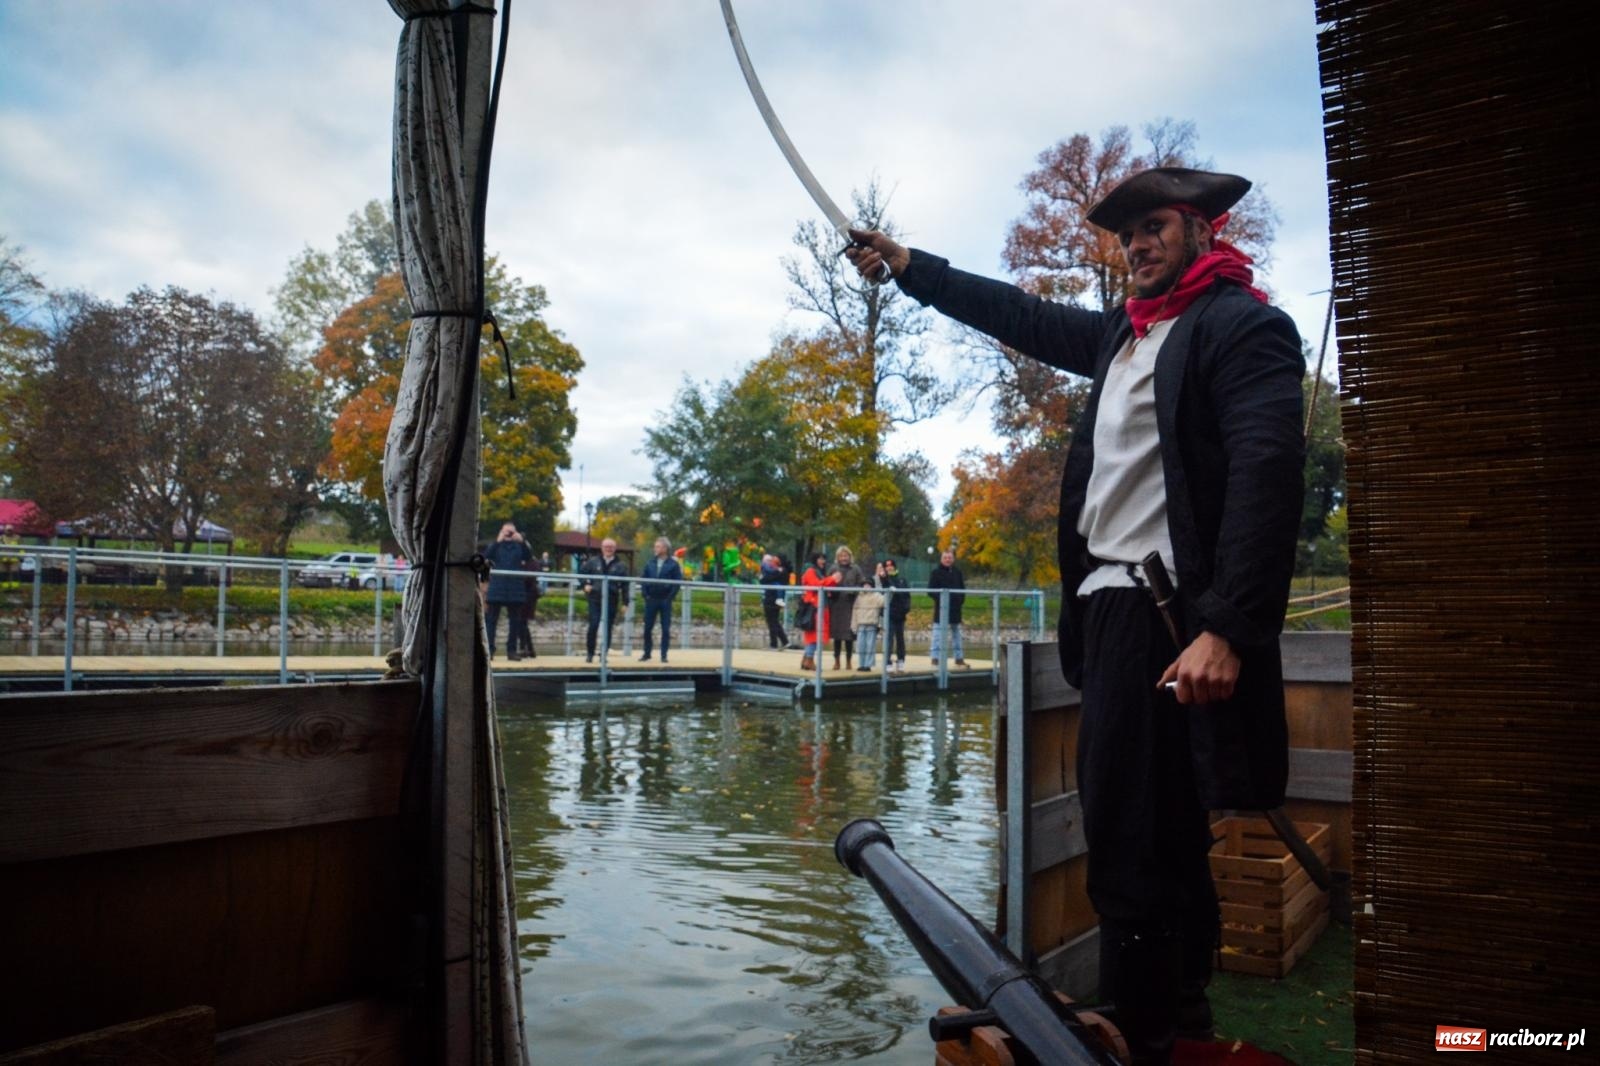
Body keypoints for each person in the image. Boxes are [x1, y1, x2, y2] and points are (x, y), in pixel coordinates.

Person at [847, 166, 1305, 1063]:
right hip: (1109, 622)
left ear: (1202, 232)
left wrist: (1228, 627)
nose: (1137, 245)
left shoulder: (1241, 326)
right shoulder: (1120, 339)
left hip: (1167, 618)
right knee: (1157, 833)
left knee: (1136, 839)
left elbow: (1267, 473)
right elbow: (1015, 313)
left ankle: (1145, 1032)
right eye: (1127, 234)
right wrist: (909, 266)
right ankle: (1181, 1028)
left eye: (1156, 227)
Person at [482, 521, 533, 661]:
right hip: (497, 587)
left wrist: (522, 541)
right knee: (491, 621)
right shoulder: (496, 546)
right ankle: (490, 650)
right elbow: (485, 557)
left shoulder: (520, 546)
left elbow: (528, 557)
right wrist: (497, 541)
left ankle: (511, 651)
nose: (509, 534)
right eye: (506, 531)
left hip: (515, 587)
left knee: (515, 622)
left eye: (511, 532)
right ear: (501, 532)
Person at [579, 538, 630, 663]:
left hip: (611, 599)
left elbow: (625, 585)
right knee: (593, 625)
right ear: (602, 548)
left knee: (608, 627)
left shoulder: (621, 565)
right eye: (606, 546)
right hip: (595, 598)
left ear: (614, 549)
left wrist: (625, 602)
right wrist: (585, 584)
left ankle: (603, 655)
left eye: (611, 547)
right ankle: (590, 653)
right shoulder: (593, 562)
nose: (608, 549)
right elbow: (581, 574)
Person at [638, 536, 683, 663]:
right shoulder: (650, 563)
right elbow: (644, 579)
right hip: (651, 599)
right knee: (647, 627)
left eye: (658, 546)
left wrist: (670, 597)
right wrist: (645, 594)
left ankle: (664, 655)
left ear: (665, 548)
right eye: (655, 546)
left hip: (665, 600)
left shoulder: (673, 565)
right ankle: (647, 653)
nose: (655, 549)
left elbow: (677, 582)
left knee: (665, 628)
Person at [927, 550, 969, 670]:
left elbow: (962, 589)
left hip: (955, 609)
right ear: (941, 559)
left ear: (953, 559)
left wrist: (960, 600)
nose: (947, 560)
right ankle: (935, 658)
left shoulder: (957, 573)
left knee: (957, 634)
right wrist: (941, 600)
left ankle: (959, 658)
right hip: (941, 608)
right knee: (937, 634)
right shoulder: (936, 573)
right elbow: (930, 591)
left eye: (950, 557)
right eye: (945, 558)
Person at [797, 551, 837, 672]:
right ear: (815, 560)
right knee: (815, 635)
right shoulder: (811, 571)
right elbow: (816, 585)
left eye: (824, 559)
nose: (823, 561)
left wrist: (833, 581)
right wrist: (832, 579)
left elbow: (823, 585)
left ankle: (806, 659)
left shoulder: (818, 572)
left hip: (819, 606)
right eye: (820, 559)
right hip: (814, 607)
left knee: (815, 634)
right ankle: (809, 659)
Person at [828, 546, 865, 671]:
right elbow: (827, 583)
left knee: (849, 635)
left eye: (846, 555)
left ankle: (849, 661)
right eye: (841, 556)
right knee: (837, 635)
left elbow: (862, 583)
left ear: (850, 556)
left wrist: (855, 591)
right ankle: (837, 660)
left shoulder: (855, 569)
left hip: (850, 605)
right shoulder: (833, 568)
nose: (844, 558)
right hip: (837, 605)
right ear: (837, 557)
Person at [852, 566, 887, 672]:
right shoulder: (859, 597)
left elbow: (884, 601)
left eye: (869, 585)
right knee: (860, 645)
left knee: (870, 645)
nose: (867, 587)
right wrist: (854, 625)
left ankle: (868, 664)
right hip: (861, 624)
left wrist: (890, 593)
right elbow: (855, 611)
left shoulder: (876, 596)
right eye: (865, 585)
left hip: (871, 624)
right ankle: (861, 664)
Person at [881, 557, 911, 673]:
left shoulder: (902, 580)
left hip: (900, 613)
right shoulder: (884, 579)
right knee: (889, 639)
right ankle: (887, 661)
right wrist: (884, 578)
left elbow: (907, 595)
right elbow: (885, 587)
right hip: (890, 614)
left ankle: (901, 660)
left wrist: (906, 608)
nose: (889, 567)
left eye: (891, 565)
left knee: (900, 639)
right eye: (887, 566)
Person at [759, 553, 792, 650]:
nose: (771, 563)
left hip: (772, 598)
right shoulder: (780, 571)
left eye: (773, 561)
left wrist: (764, 577)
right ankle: (783, 641)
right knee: (774, 620)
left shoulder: (780, 572)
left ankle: (774, 644)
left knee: (772, 621)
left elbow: (764, 580)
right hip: (775, 597)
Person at [516, 549, 544, 659]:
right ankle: (529, 649)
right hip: (522, 593)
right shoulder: (522, 561)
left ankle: (526, 648)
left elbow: (530, 578)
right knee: (521, 623)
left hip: (528, 595)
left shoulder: (533, 562)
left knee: (522, 621)